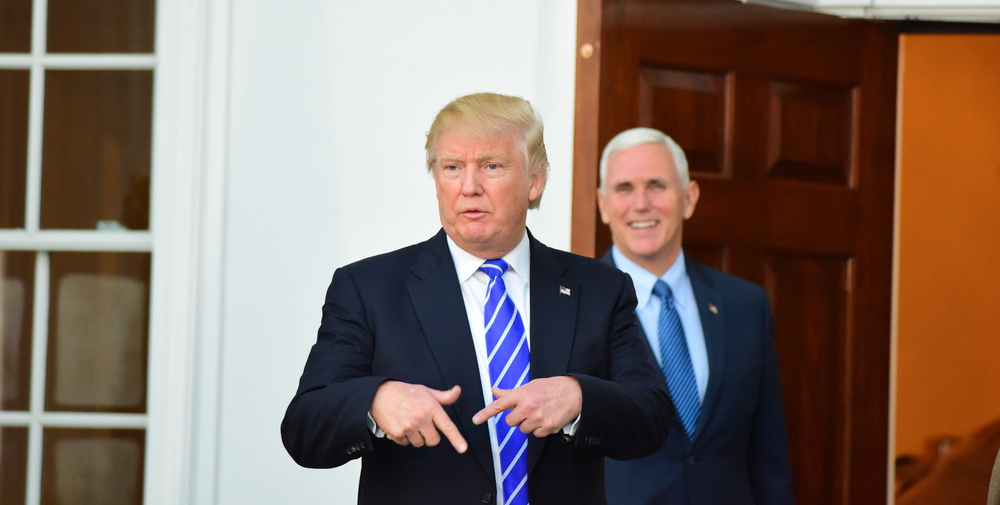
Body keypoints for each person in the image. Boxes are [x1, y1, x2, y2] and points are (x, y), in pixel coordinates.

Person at [282, 93, 671, 505]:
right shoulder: (368, 288)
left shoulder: (600, 288)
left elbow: (651, 416)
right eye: (452, 168)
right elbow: (304, 430)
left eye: (492, 166)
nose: (469, 187)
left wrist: (578, 397)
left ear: (535, 180)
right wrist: (375, 403)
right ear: (436, 180)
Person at [598, 127, 795, 505]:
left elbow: (770, 460)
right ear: (603, 205)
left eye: (657, 185)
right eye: (624, 189)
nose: (641, 204)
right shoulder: (576, 307)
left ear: (689, 198)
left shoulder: (746, 306)